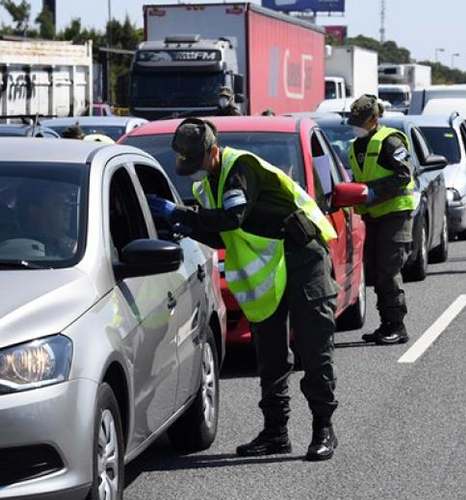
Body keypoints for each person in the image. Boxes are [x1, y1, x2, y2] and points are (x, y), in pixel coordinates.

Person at [147, 118, 340, 461]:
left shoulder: (241, 167)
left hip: (302, 257)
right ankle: (276, 433)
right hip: (268, 270)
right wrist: (182, 225)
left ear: (213, 150)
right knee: (270, 355)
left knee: (314, 347)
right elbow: (222, 234)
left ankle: (323, 428)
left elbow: (233, 217)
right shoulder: (207, 187)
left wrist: (182, 215)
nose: (193, 171)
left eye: (198, 162)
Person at [347, 95, 414, 345]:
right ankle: (386, 324)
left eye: (360, 121)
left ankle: (398, 326)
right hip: (372, 216)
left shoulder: (390, 141)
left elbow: (403, 175)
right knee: (375, 271)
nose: (356, 125)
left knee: (388, 269)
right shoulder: (356, 146)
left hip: (395, 214)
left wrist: (372, 191)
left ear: (374, 119)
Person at [15, 181, 78, 258]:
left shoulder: (73, 247)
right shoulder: (20, 248)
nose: (68, 209)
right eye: (58, 203)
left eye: (67, 204)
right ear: (34, 211)